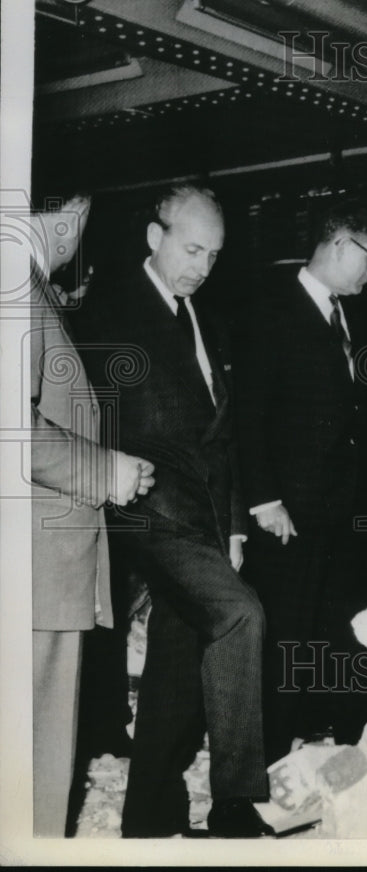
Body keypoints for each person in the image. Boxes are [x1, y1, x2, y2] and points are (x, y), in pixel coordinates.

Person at [78, 185, 271, 838]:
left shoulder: (205, 320)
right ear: (155, 237)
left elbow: (226, 436)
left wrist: (237, 524)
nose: (201, 266)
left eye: (213, 256)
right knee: (240, 612)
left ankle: (148, 819)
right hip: (146, 510)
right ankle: (237, 802)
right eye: (192, 250)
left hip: (205, 518)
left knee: (179, 654)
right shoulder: (105, 313)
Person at [238, 201, 367, 766]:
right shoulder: (271, 309)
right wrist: (264, 498)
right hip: (292, 511)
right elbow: (248, 415)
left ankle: (353, 743)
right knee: (287, 631)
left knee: (350, 626)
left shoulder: (349, 315)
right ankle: (271, 755)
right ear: (341, 245)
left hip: (347, 512)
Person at [28, 191, 154, 836]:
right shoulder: (16, 287)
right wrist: (107, 469)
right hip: (34, 571)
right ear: (68, 216)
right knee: (36, 763)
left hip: (36, 564)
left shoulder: (34, 289)